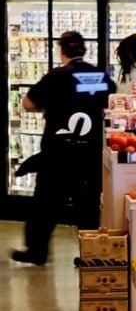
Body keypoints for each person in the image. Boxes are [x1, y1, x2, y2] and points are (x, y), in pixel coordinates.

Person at [14, 31, 109, 266]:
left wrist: (49, 108)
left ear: (62, 50)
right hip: (90, 152)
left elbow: (27, 102)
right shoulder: (100, 76)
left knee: (45, 204)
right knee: (88, 206)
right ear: (84, 50)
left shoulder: (56, 76)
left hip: (58, 153)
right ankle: (91, 254)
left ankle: (36, 252)